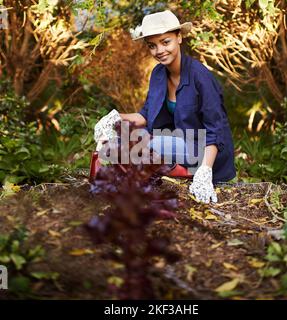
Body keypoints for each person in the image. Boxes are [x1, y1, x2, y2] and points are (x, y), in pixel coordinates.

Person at [94, 10, 236, 203]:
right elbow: (145, 114)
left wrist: (205, 170)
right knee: (123, 137)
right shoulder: (158, 74)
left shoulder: (200, 77)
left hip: (205, 151)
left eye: (165, 42)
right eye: (152, 46)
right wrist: (117, 117)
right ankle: (116, 184)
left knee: (145, 144)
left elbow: (215, 130)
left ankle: (152, 174)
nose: (159, 50)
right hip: (177, 143)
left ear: (179, 37)